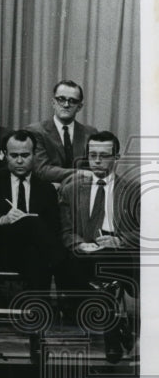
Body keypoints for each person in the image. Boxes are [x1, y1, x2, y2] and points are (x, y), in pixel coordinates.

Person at [0, 130, 64, 362]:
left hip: (31, 255)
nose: (20, 161)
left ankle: (36, 334)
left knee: (37, 254)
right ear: (4, 154)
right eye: (14, 155)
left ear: (34, 155)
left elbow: (54, 230)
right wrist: (2, 219)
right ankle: (66, 269)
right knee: (35, 230)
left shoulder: (46, 188)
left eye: (25, 155)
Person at [58, 131, 138, 362]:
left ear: (117, 157)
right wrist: (80, 244)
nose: (97, 161)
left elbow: (146, 231)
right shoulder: (71, 189)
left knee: (109, 267)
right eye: (92, 155)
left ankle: (112, 332)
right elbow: (65, 231)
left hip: (118, 252)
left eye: (104, 155)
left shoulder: (132, 190)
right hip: (84, 254)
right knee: (90, 270)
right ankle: (115, 329)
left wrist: (119, 240)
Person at [24, 80, 99, 184]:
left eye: (72, 101)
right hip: (48, 191)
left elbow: (97, 167)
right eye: (61, 99)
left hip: (81, 190)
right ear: (53, 103)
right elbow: (41, 170)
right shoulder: (35, 131)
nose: (66, 105)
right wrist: (79, 173)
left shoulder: (90, 133)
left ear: (79, 107)